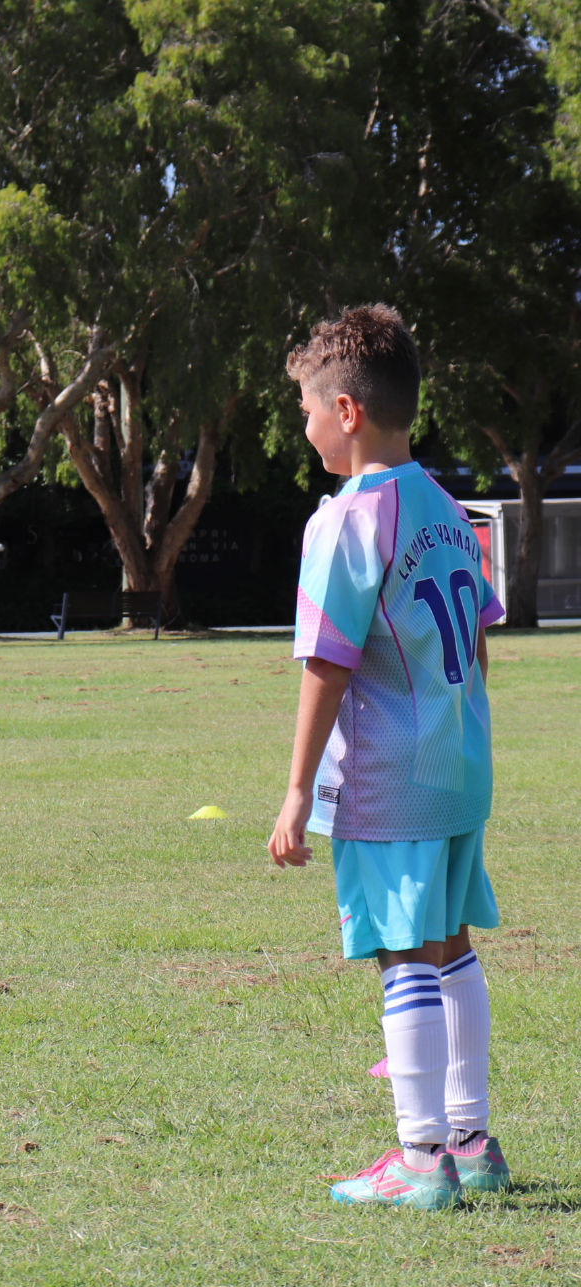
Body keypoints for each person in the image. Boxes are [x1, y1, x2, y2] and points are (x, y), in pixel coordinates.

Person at [268, 304, 510, 1210]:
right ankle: (472, 1138)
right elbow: (481, 642)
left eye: (303, 407)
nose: (301, 424)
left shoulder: (345, 521)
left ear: (346, 411)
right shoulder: (447, 508)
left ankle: (418, 1158)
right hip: (457, 762)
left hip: (387, 777)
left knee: (401, 953)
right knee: (452, 946)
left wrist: (297, 791)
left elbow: (328, 660)